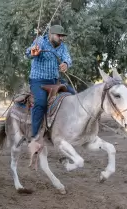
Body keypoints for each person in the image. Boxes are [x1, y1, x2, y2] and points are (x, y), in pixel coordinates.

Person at [25, 24, 73, 155]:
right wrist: (32, 52)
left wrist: (66, 64)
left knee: (74, 96)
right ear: (51, 34)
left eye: (63, 36)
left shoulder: (62, 46)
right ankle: (34, 137)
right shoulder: (40, 41)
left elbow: (68, 58)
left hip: (55, 81)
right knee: (40, 103)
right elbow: (28, 53)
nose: (61, 38)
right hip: (38, 81)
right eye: (59, 35)